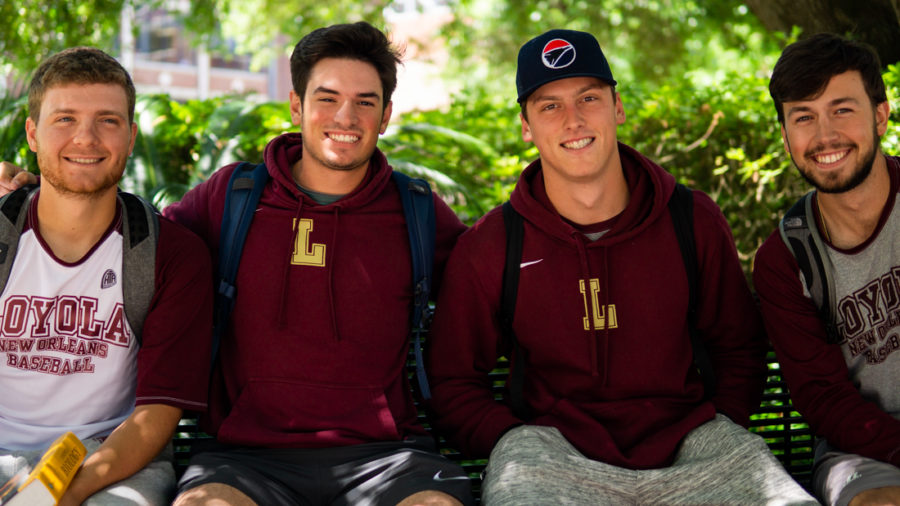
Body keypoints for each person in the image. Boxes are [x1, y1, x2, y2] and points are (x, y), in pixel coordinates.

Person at [0, 23, 471, 506]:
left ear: (386, 114)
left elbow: (495, 278)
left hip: (388, 458)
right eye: (326, 97)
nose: (345, 116)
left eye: (365, 102)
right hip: (244, 459)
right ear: (296, 105)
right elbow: (113, 225)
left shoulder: (417, 211)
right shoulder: (233, 197)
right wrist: (43, 187)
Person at [425, 28, 817, 505]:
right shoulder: (493, 245)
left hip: (696, 447)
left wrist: (718, 424)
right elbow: (453, 380)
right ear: (526, 125)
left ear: (618, 108)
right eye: (549, 105)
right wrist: (514, 440)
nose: (573, 119)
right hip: (552, 457)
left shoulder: (690, 220)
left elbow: (740, 349)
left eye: (588, 97)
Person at [0, 47, 213, 505]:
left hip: (112, 461)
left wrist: (52, 495)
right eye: (65, 119)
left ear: (131, 137)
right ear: (33, 134)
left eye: (108, 121)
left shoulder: (169, 253)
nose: (86, 138)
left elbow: (157, 412)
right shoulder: (4, 234)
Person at [754, 33, 900, 506]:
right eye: (803, 117)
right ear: (785, 135)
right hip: (861, 452)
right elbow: (824, 400)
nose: (824, 136)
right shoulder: (785, 260)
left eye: (842, 109)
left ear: (880, 114)